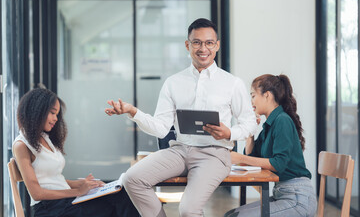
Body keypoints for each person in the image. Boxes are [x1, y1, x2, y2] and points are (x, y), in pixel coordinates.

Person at [105, 18, 257, 217]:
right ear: (188, 45)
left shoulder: (232, 83)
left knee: (188, 209)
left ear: (217, 45)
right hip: (179, 150)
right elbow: (160, 128)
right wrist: (134, 112)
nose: (203, 48)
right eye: (197, 42)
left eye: (209, 43)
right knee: (131, 179)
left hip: (215, 154)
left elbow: (249, 124)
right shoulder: (173, 83)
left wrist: (229, 132)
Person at [12, 88, 140, 217]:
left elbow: (53, 180)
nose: (56, 119)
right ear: (37, 111)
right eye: (52, 113)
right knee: (113, 206)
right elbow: (37, 193)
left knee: (122, 195)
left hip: (65, 202)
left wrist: (85, 184)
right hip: (49, 209)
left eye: (57, 114)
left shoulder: (44, 138)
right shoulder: (21, 145)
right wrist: (78, 191)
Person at [225, 74, 317, 217]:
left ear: (267, 95)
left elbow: (278, 164)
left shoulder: (282, 121)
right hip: (284, 195)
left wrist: (239, 158)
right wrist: (250, 132)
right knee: (231, 214)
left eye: (253, 96)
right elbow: (252, 157)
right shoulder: (269, 125)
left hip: (298, 199)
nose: (251, 101)